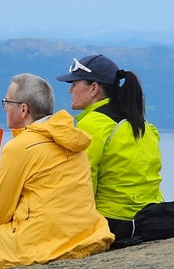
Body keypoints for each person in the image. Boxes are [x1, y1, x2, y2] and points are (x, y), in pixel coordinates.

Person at [0, 74, 113, 269]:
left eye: (7, 102)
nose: (5, 108)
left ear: (23, 109)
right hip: (84, 240)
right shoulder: (72, 139)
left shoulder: (20, 147)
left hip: (44, 250)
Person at [56, 55, 163, 243]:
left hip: (111, 223)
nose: (70, 89)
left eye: (74, 83)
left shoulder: (93, 125)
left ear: (94, 88)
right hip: (149, 221)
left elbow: (82, 183)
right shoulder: (143, 124)